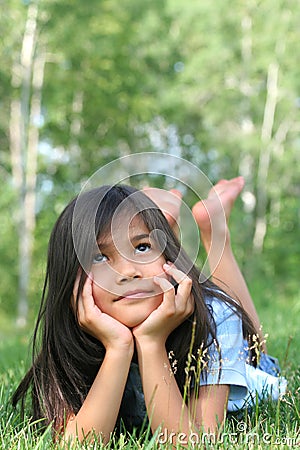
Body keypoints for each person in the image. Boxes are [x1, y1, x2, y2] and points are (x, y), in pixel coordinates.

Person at [12, 176, 286, 445]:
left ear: (169, 258)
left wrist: (151, 341)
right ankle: (160, 225)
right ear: (69, 281)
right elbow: (78, 444)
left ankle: (214, 234)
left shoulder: (216, 318)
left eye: (142, 247)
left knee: (252, 346)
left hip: (239, 361)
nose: (128, 271)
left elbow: (192, 443)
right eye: (100, 257)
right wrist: (118, 347)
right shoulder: (70, 337)